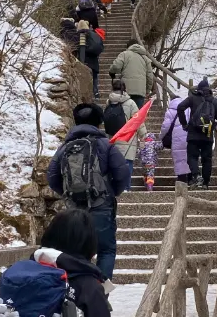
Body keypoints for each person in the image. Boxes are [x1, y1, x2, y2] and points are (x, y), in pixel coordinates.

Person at [46, 103, 131, 283]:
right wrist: (111, 192)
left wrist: (68, 195)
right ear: (99, 123)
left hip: (73, 210)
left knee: (76, 252)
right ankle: (99, 294)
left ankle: (76, 295)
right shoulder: (105, 145)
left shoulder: (64, 147)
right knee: (106, 250)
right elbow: (123, 173)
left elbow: (52, 177)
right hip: (100, 206)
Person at [176, 78, 217, 189]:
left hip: (193, 133)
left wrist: (184, 124)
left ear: (199, 89)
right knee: (207, 159)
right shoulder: (215, 101)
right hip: (207, 135)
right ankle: (206, 183)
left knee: (192, 157)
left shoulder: (192, 98)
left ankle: (196, 175)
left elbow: (180, 107)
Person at [103, 78, 139, 174]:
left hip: (113, 136)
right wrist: (144, 135)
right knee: (127, 163)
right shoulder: (131, 103)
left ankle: (116, 186)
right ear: (124, 89)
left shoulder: (108, 102)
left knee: (114, 163)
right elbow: (138, 120)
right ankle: (126, 187)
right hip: (127, 137)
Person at [109, 39, 154, 109]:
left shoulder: (124, 54)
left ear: (128, 47)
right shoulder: (146, 59)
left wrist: (112, 72)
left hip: (126, 90)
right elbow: (150, 77)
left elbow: (116, 66)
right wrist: (147, 90)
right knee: (137, 116)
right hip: (140, 91)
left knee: (125, 114)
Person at [160, 95, 191, 184]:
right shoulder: (188, 109)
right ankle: (190, 177)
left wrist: (161, 137)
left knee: (179, 158)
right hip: (188, 136)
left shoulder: (170, 111)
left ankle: (181, 179)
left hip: (176, 138)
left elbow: (165, 126)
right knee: (188, 157)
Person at [76, 18, 103, 98]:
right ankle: (96, 92)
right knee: (95, 78)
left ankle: (87, 96)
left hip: (86, 61)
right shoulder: (95, 35)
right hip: (94, 61)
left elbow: (80, 49)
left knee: (86, 79)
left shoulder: (81, 35)